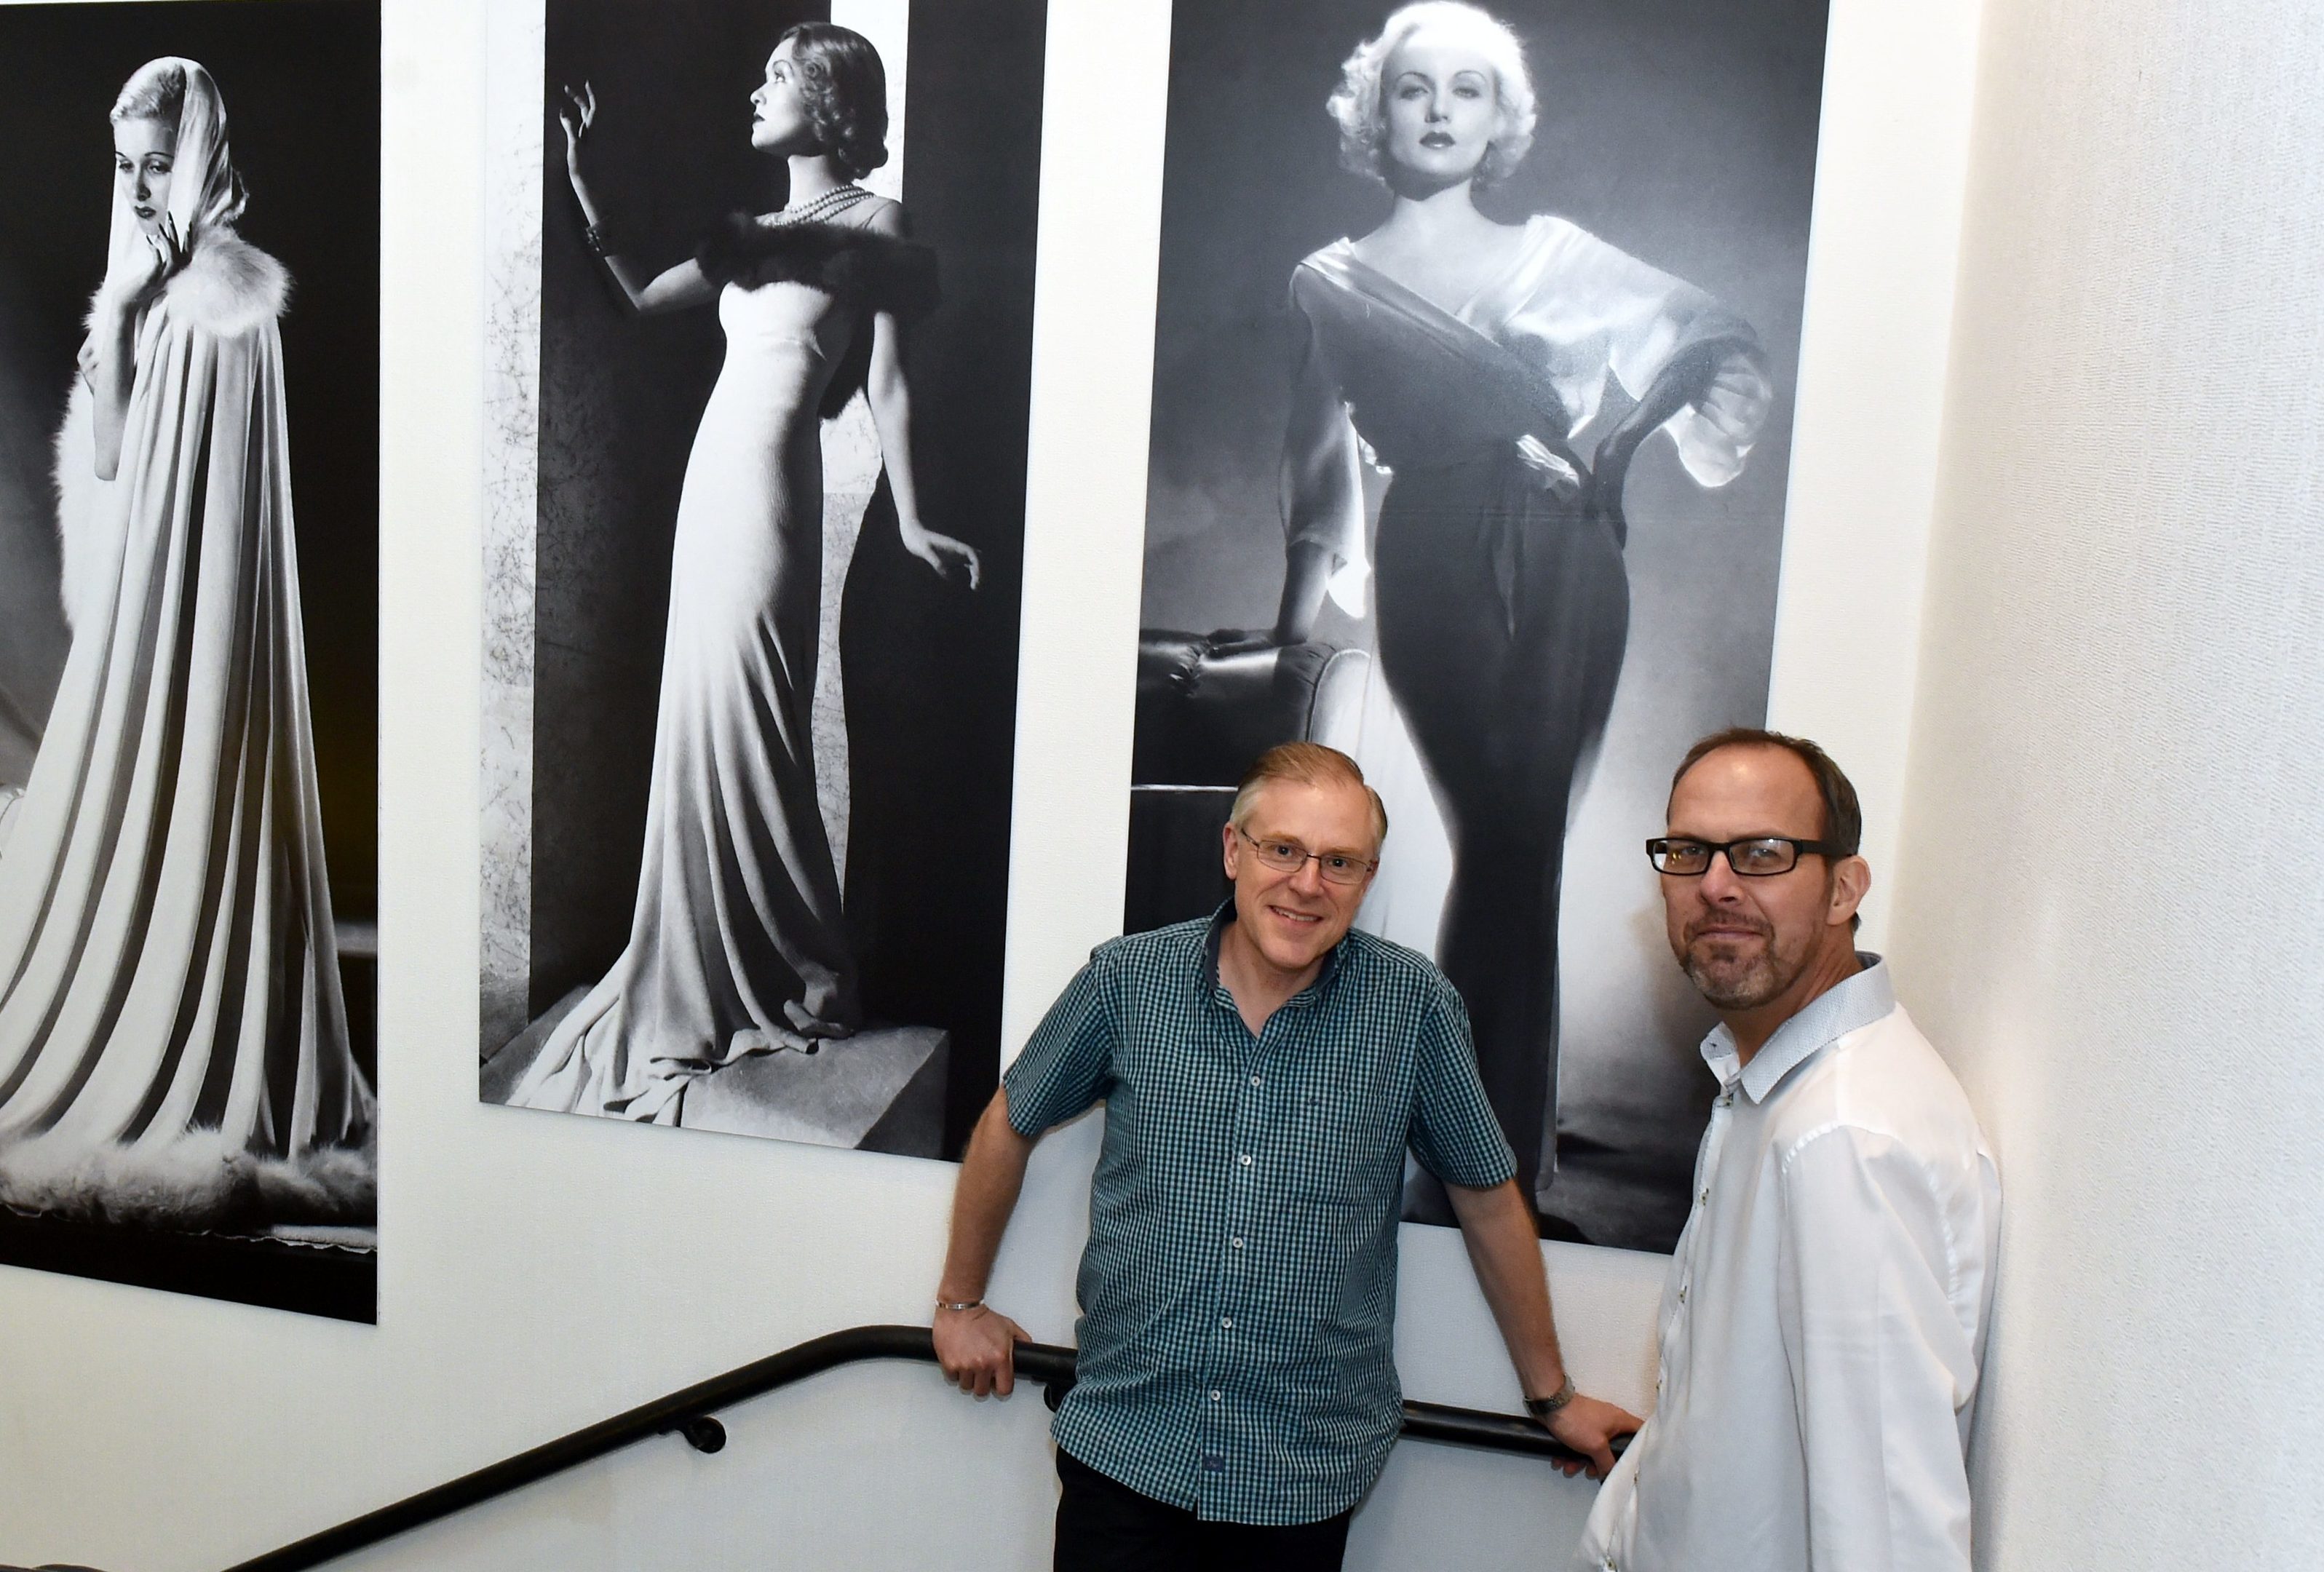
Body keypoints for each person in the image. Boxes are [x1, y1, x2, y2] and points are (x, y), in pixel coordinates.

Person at [1248, 1, 1774, 1224]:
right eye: (1413, 87)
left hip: (1567, 561)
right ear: (1373, 113)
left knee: (1520, 849)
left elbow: (1713, 338)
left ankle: (1479, 1169)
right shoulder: (1325, 281)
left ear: (1498, 123)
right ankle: (1479, 1171)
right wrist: (1286, 628)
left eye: (1466, 90)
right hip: (1430, 560)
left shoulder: (1554, 250)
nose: (1437, 109)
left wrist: (1628, 443)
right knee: (1498, 841)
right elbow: (1313, 464)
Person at [935, 742, 1639, 1570]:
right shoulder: (1126, 982)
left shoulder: (1414, 1010)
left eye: (1339, 862)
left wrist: (1550, 1397)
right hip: (1123, 1456)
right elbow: (1008, 1122)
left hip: (1300, 1479)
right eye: (1283, 850)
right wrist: (959, 1303)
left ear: (1367, 878)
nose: (1308, 883)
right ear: (1233, 850)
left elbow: (1486, 1199)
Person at [509, 23, 980, 1122]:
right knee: (702, 707)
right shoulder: (755, 230)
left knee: (756, 709)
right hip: (710, 479)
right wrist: (585, 187)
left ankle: (783, 960)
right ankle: (697, 953)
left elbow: (890, 385)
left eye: (776, 76)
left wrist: (911, 517)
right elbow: (641, 297)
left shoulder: (880, 223)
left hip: (774, 482)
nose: (754, 91)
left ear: (830, 100)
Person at [0, 59, 375, 1228]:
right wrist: (114, 308)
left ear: (202, 152)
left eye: (159, 163)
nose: (142, 187)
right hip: (138, 615)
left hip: (188, 632)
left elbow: (205, 519)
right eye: (124, 166)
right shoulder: (157, 286)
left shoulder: (227, 298)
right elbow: (114, 459)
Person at [1573, 729, 2001, 1571]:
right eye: (1689, 852)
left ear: (1845, 887)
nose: (1716, 887)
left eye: (1763, 853)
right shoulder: (1769, 1086)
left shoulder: (1843, 1138)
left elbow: (1884, 1532)